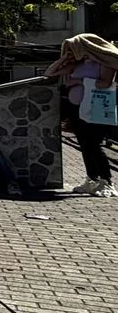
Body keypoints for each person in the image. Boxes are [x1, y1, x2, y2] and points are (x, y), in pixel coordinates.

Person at [46, 33, 118, 197]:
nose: (72, 51)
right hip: (76, 109)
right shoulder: (77, 64)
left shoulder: (104, 62)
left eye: (73, 48)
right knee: (84, 145)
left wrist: (79, 82)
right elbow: (50, 73)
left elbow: (105, 83)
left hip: (95, 109)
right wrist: (63, 59)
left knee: (94, 144)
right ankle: (91, 179)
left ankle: (106, 180)